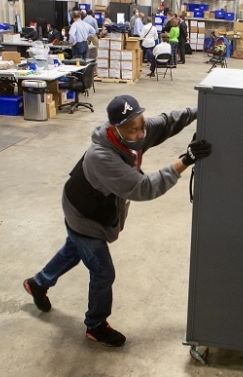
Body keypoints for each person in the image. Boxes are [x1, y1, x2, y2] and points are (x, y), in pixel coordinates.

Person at [23, 95, 212, 347]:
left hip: (85, 205)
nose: (139, 134)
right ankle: (96, 325)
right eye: (131, 130)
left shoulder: (135, 131)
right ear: (115, 128)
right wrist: (185, 159)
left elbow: (167, 122)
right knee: (102, 271)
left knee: (74, 249)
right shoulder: (101, 156)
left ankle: (38, 283)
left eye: (141, 126)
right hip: (84, 215)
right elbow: (144, 188)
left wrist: (205, 108)